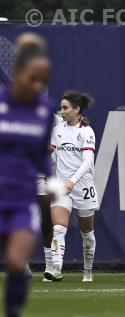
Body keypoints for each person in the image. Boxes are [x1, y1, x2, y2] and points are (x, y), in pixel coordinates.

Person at [0, 32, 55, 317]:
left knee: (16, 261)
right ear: (17, 72)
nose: (38, 86)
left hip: (23, 199)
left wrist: (52, 178)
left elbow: (42, 154)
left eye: (43, 80)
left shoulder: (44, 110)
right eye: (32, 78)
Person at [46, 91, 98, 282]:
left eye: (65, 108)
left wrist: (72, 181)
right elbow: (54, 158)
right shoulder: (57, 130)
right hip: (62, 185)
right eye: (61, 108)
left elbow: (88, 163)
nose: (62, 111)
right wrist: (48, 154)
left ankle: (87, 271)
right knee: (58, 227)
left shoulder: (86, 131)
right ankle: (56, 268)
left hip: (82, 186)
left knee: (87, 233)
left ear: (76, 110)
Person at [35, 112, 63, 281]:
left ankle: (50, 266)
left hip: (49, 175)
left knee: (47, 222)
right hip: (28, 174)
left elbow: (66, 138)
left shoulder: (56, 120)